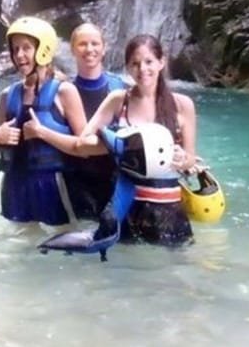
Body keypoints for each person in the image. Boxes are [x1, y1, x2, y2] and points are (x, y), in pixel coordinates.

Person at [76, 34, 198, 245]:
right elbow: (82, 144)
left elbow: (190, 159)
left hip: (169, 206)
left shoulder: (183, 105)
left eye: (149, 61)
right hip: (127, 204)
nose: (142, 69)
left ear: (161, 62)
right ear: (127, 68)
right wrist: (120, 146)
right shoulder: (119, 100)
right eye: (135, 63)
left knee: (175, 264)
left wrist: (182, 159)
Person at [0, 16, 87, 225]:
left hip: (55, 186)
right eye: (15, 49)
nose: (19, 55)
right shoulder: (7, 95)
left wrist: (43, 133)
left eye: (26, 48)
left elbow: (84, 147)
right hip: (14, 186)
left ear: (43, 49)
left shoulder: (64, 92)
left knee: (58, 242)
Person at [60, 23, 128, 220]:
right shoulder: (64, 90)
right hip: (76, 178)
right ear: (72, 49)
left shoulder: (119, 88)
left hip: (113, 177)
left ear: (104, 48)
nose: (89, 49)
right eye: (82, 44)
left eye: (95, 43)